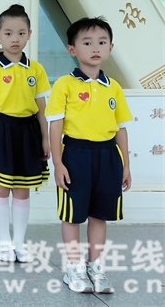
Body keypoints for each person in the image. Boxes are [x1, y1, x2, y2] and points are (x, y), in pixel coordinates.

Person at [46, 17, 132, 294]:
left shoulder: (113, 87)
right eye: (87, 42)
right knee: (72, 215)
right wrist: (58, 163)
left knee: (99, 215)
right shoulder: (64, 85)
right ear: (72, 49)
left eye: (102, 42)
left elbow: (120, 128)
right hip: (75, 155)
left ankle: (95, 266)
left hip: (108, 157)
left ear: (110, 48)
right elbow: (55, 125)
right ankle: (74, 268)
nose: (95, 48)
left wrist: (126, 165)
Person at [0, 4, 50, 263]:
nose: (14, 39)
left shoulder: (36, 70)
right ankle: (3, 242)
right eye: (8, 33)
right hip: (1, 131)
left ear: (29, 34)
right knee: (1, 187)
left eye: (21, 33)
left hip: (28, 133)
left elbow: (42, 108)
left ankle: (19, 243)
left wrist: (45, 138)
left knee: (22, 190)